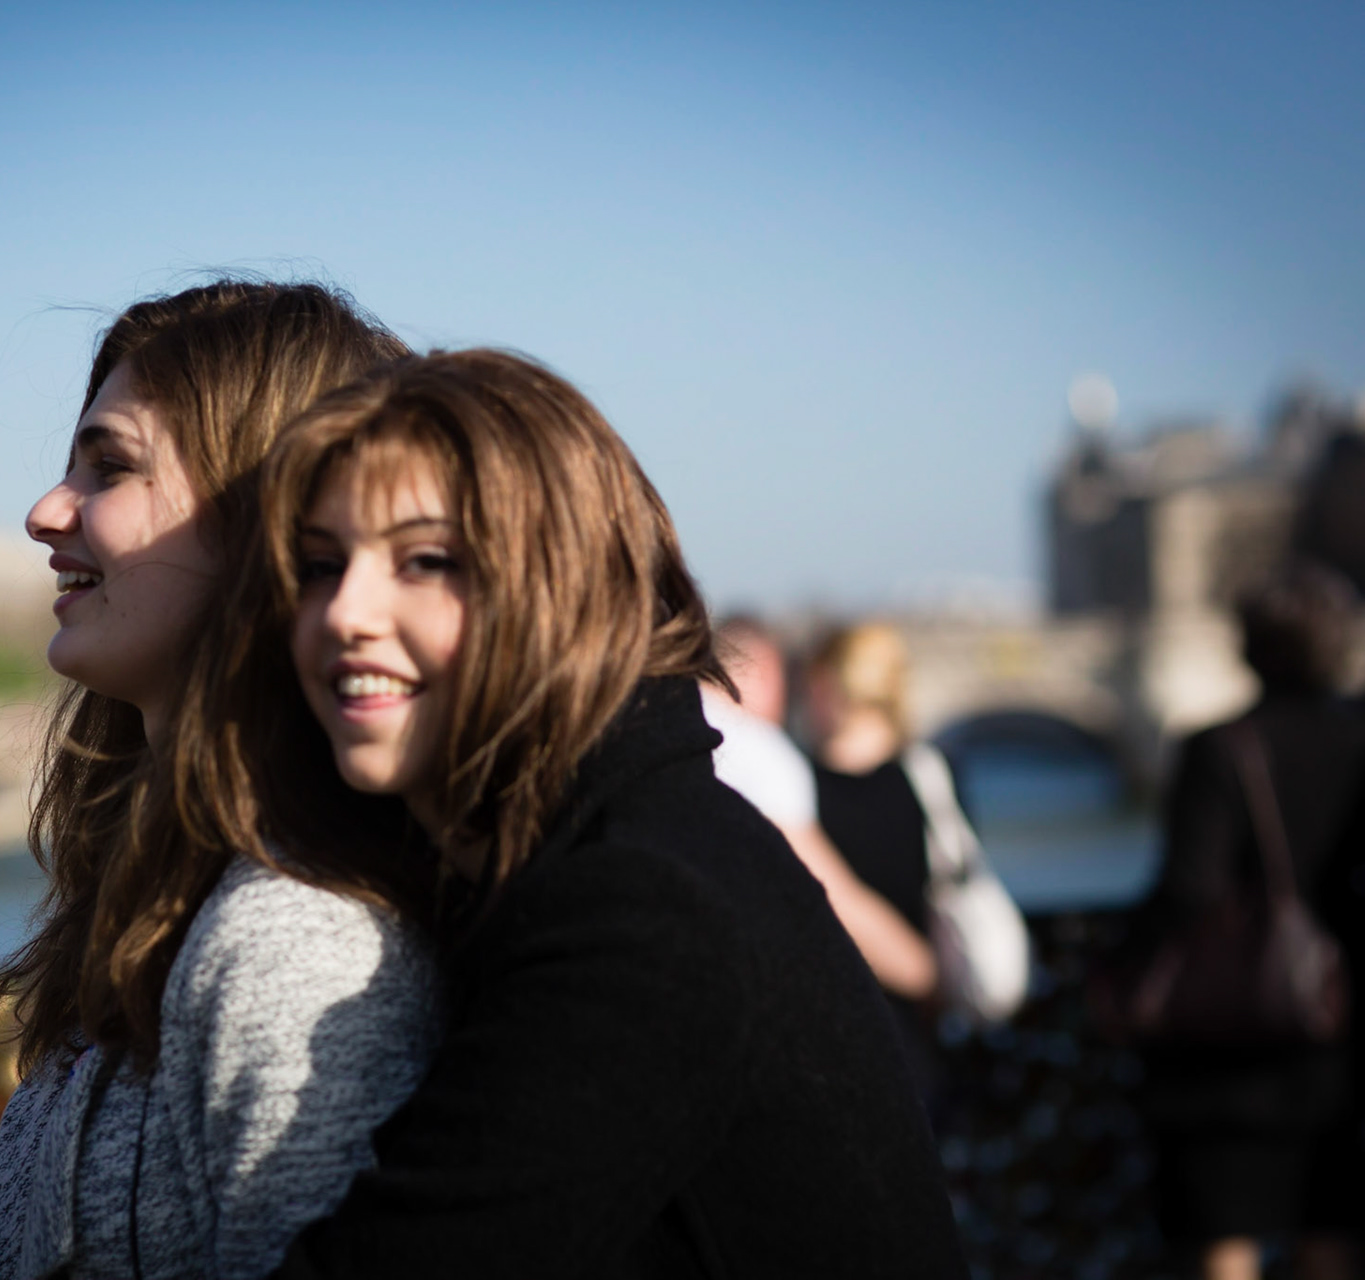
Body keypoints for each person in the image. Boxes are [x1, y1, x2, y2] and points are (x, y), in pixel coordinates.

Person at [206, 349, 965, 1278]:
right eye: (321, 566)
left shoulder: (641, 907)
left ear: (561, 589)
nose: (344, 611)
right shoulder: (629, 844)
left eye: (429, 560)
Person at [0, 281, 442, 1280]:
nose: (46, 509)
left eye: (111, 466)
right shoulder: (160, 900)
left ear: (262, 521)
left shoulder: (294, 940)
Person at [1134, 563, 1365, 1280]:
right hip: (1342, 1023)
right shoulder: (1364, 743)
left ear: (1246, 648)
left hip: (1234, 1033)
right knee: (1330, 1219)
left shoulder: (1221, 748)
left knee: (1225, 1230)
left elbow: (1190, 887)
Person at [702, 616, 937, 999]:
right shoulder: (762, 754)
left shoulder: (674, 734)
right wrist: (927, 977)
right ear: (762, 673)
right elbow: (831, 900)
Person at [804, 622, 957, 1100]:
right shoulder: (929, 779)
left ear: (827, 687)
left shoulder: (799, 792)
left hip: (828, 1027)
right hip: (915, 1026)